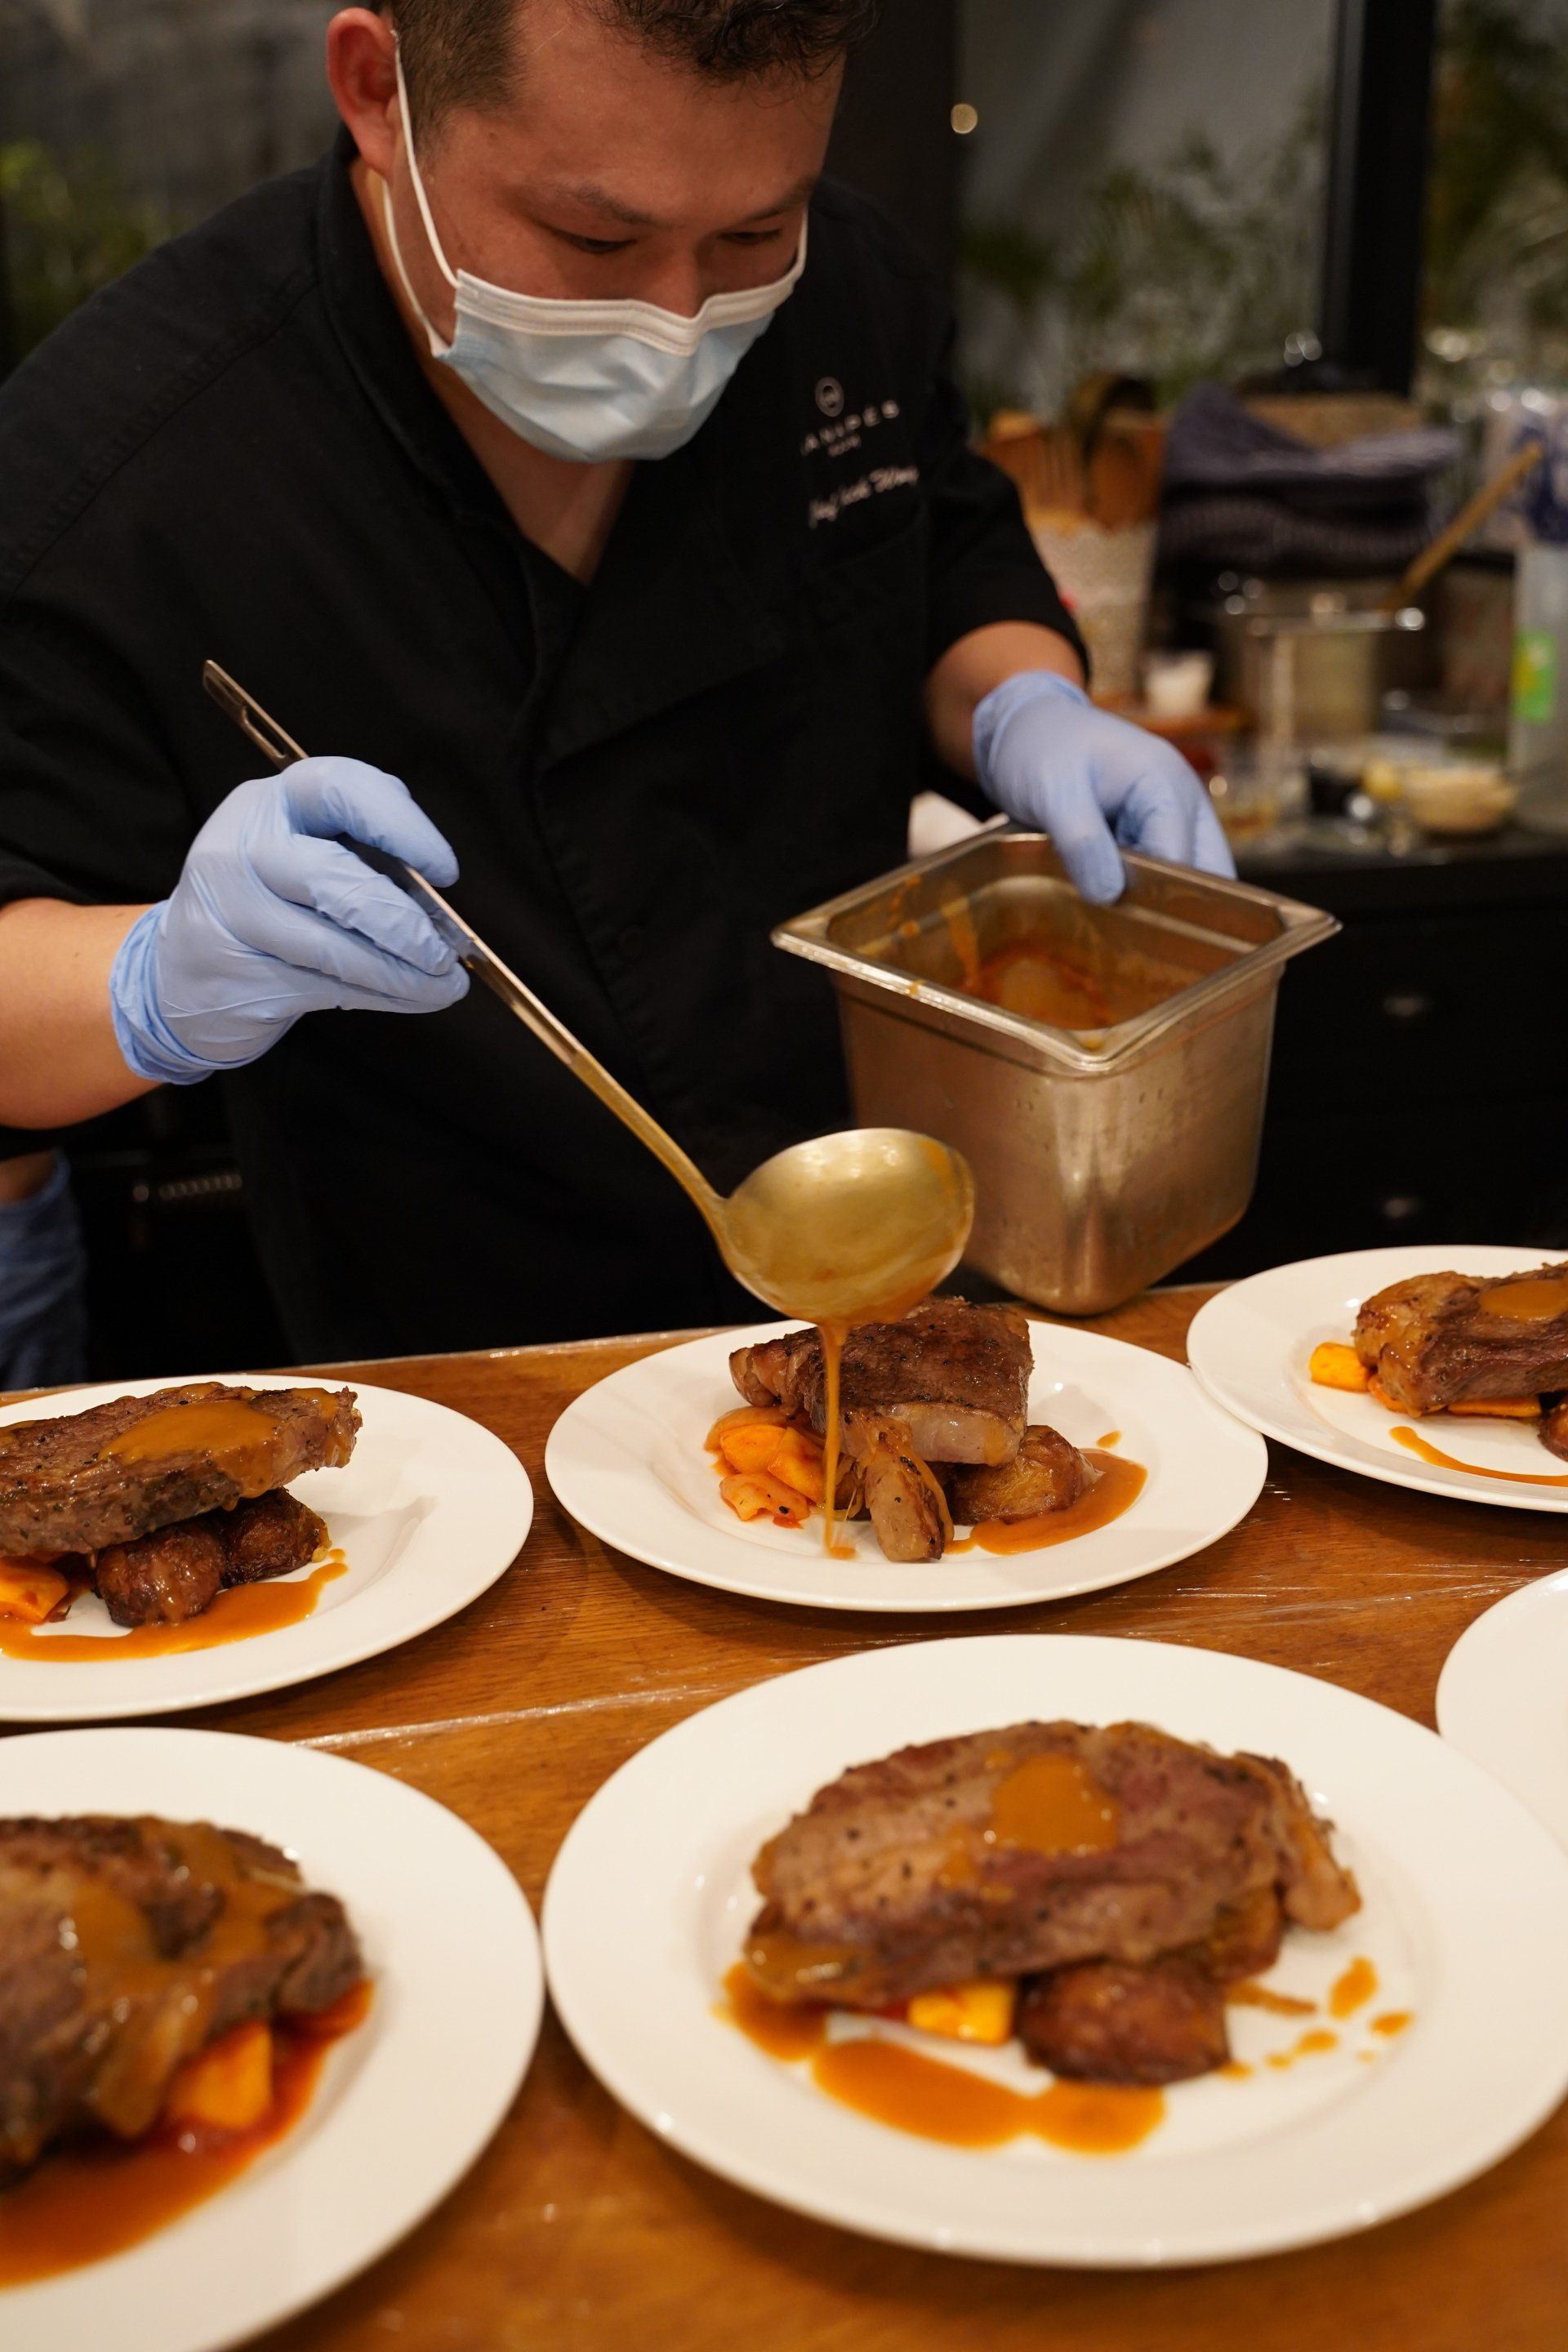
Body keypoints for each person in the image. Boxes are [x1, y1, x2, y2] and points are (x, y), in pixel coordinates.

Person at [0, 0, 1232, 1363]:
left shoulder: (850, 293)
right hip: (452, 1364)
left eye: (755, 234)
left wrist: (1025, 702)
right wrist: (159, 980)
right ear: (374, 90)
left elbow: (946, 553)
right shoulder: (118, 468)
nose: (680, 317)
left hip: (875, 1261)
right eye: (594, 240)